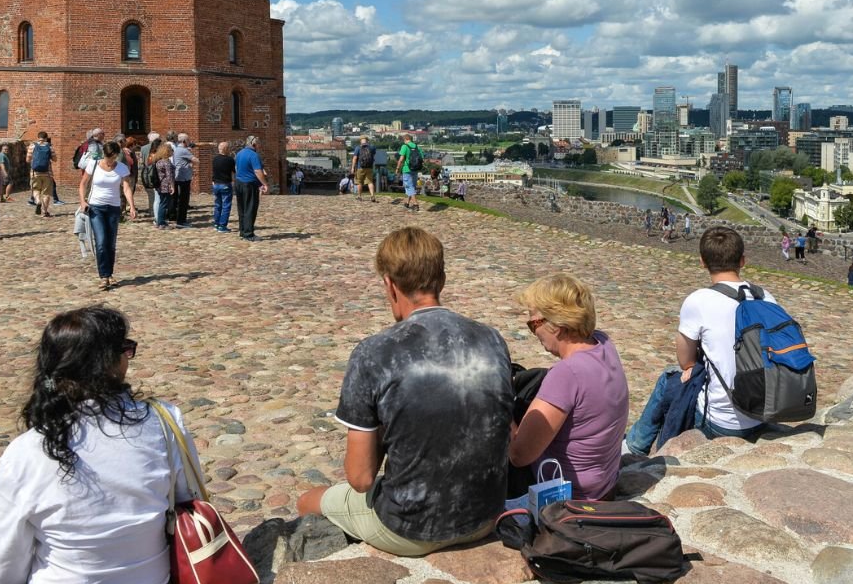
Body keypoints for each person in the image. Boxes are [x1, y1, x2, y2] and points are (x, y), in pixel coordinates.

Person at [297, 227, 512, 556]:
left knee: (308, 500)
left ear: (389, 284)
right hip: (485, 517)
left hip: (411, 529)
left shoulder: (374, 353)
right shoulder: (492, 339)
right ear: (441, 279)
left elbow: (361, 478)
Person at [0, 306, 203, 584]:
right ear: (109, 362)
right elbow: (189, 497)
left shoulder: (24, 452)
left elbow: (6, 566)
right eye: (125, 349)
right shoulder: (164, 421)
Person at [625, 227, 779, 452]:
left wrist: (690, 366)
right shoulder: (765, 297)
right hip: (764, 411)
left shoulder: (699, 300)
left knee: (669, 379)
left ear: (702, 262)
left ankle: (634, 446)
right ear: (743, 261)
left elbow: (685, 360)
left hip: (720, 422)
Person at [509, 274, 628, 500]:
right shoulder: (604, 344)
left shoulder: (567, 374)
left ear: (558, 326)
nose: (533, 332)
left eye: (533, 324)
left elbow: (519, 455)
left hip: (571, 495)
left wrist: (501, 406)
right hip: (604, 484)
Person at [78, 141, 138, 290]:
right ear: (104, 154)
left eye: (113, 157)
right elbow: (83, 184)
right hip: (96, 207)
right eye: (109, 157)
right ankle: (104, 276)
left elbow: (126, 188)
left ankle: (110, 274)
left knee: (110, 244)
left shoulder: (122, 168)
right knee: (101, 241)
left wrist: (131, 206)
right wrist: (82, 201)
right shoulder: (94, 164)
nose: (111, 161)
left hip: (113, 208)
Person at [234, 135, 269, 241]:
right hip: (249, 184)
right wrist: (264, 184)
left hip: (239, 183)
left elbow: (236, 167)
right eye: (258, 144)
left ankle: (243, 231)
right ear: (254, 144)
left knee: (242, 208)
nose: (259, 146)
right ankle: (249, 233)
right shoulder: (254, 155)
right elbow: (258, 171)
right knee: (250, 208)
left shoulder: (239, 153)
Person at [27, 131, 56, 217]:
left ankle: (38, 201)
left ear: (38, 137)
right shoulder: (49, 147)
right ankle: (45, 212)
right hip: (47, 173)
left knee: (36, 190)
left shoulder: (32, 146)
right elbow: (55, 159)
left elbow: (28, 160)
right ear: (46, 138)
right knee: (46, 193)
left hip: (35, 173)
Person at [172, 134, 197, 228]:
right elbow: (195, 160)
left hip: (179, 176)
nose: (189, 142)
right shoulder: (184, 150)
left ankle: (180, 220)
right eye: (188, 140)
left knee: (181, 199)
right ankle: (181, 221)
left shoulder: (176, 149)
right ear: (184, 141)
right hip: (184, 178)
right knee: (184, 200)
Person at [150, 142, 176, 230]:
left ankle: (160, 221)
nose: (172, 152)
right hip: (165, 186)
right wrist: (172, 186)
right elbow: (169, 176)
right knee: (164, 204)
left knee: (162, 202)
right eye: (171, 150)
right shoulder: (166, 162)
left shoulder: (158, 161)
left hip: (159, 185)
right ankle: (161, 222)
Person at [211, 141, 235, 233]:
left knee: (217, 205)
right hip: (225, 184)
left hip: (216, 184)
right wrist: (233, 181)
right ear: (226, 149)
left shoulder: (215, 159)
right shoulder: (230, 160)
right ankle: (222, 226)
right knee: (226, 205)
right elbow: (233, 171)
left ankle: (216, 223)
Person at [396, 134, 422, 212]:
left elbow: (401, 159)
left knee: (409, 186)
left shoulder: (405, 146)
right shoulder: (417, 147)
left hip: (407, 169)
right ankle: (407, 202)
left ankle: (415, 204)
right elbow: (422, 157)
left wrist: (397, 168)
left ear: (405, 139)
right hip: (415, 169)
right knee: (412, 186)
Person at [138, 132, 161, 213]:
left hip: (146, 172)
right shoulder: (159, 147)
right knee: (158, 193)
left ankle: (152, 209)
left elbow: (141, 161)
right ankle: (157, 211)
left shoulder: (143, 148)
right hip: (156, 172)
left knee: (150, 194)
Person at [353, 136, 377, 201]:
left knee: (359, 182)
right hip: (369, 167)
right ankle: (372, 196)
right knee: (370, 182)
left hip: (360, 167)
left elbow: (355, 158)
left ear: (360, 141)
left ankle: (359, 196)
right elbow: (373, 154)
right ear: (367, 141)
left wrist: (353, 167)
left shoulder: (358, 148)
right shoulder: (372, 147)